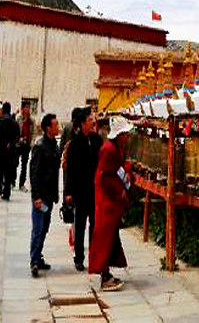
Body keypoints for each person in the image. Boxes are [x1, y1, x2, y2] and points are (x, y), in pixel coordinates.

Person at [89, 116, 133, 291]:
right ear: (119, 134)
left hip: (110, 202)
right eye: (125, 134)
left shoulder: (114, 148)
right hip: (106, 202)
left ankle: (106, 272)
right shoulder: (109, 150)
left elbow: (116, 171)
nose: (127, 137)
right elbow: (105, 176)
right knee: (104, 239)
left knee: (109, 238)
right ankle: (103, 276)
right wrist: (119, 190)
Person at [64, 108, 102, 272]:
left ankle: (94, 256)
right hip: (80, 192)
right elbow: (70, 171)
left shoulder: (96, 140)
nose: (92, 122)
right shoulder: (74, 145)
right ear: (82, 124)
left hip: (94, 190)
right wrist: (68, 193)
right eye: (89, 120)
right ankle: (79, 257)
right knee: (80, 225)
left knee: (94, 225)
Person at [30, 113, 60, 277]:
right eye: (55, 124)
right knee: (38, 228)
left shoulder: (54, 145)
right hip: (41, 196)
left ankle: (38, 256)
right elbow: (34, 172)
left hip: (49, 195)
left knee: (45, 228)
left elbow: (55, 172)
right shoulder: (40, 146)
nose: (58, 127)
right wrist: (36, 197)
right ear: (48, 127)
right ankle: (34, 260)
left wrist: (55, 193)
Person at [0, 102, 19, 200]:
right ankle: (6, 193)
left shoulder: (1, 121)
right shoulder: (14, 123)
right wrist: (10, 143)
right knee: (8, 174)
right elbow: (17, 137)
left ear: (3, 110)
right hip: (10, 152)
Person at [17, 101, 33, 190]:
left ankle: (21, 184)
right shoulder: (18, 118)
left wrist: (31, 143)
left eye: (29, 107)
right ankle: (12, 180)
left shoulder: (31, 120)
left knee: (24, 165)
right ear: (22, 109)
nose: (28, 109)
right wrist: (18, 139)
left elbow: (33, 132)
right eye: (26, 107)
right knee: (14, 163)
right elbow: (15, 130)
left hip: (26, 145)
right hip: (18, 144)